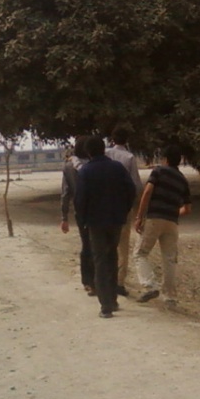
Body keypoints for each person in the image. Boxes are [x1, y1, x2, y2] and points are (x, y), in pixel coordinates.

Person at [73, 136, 136, 318]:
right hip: (116, 220)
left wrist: (83, 219)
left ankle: (105, 306)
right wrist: (123, 210)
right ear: (103, 149)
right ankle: (113, 299)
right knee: (112, 256)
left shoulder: (86, 171)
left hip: (95, 222)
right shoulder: (117, 168)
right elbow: (130, 190)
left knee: (99, 259)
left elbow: (80, 199)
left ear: (89, 152)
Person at [133, 144, 192, 307]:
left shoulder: (159, 171)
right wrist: (173, 212)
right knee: (169, 259)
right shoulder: (182, 180)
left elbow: (147, 192)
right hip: (172, 222)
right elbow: (187, 209)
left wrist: (139, 216)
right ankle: (170, 297)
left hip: (154, 218)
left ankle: (150, 285)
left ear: (165, 159)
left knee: (140, 253)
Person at [105, 127, 142, 297]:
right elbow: (135, 184)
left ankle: (105, 278)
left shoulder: (105, 153)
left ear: (112, 139)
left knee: (106, 243)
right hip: (122, 205)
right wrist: (138, 210)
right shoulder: (129, 157)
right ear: (127, 140)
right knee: (123, 245)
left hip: (104, 205)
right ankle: (119, 282)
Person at [60, 137, 96, 297]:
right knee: (98, 245)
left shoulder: (68, 167)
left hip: (80, 210)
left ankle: (87, 281)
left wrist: (64, 217)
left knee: (86, 245)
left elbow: (65, 193)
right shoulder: (92, 164)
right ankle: (98, 279)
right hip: (97, 209)